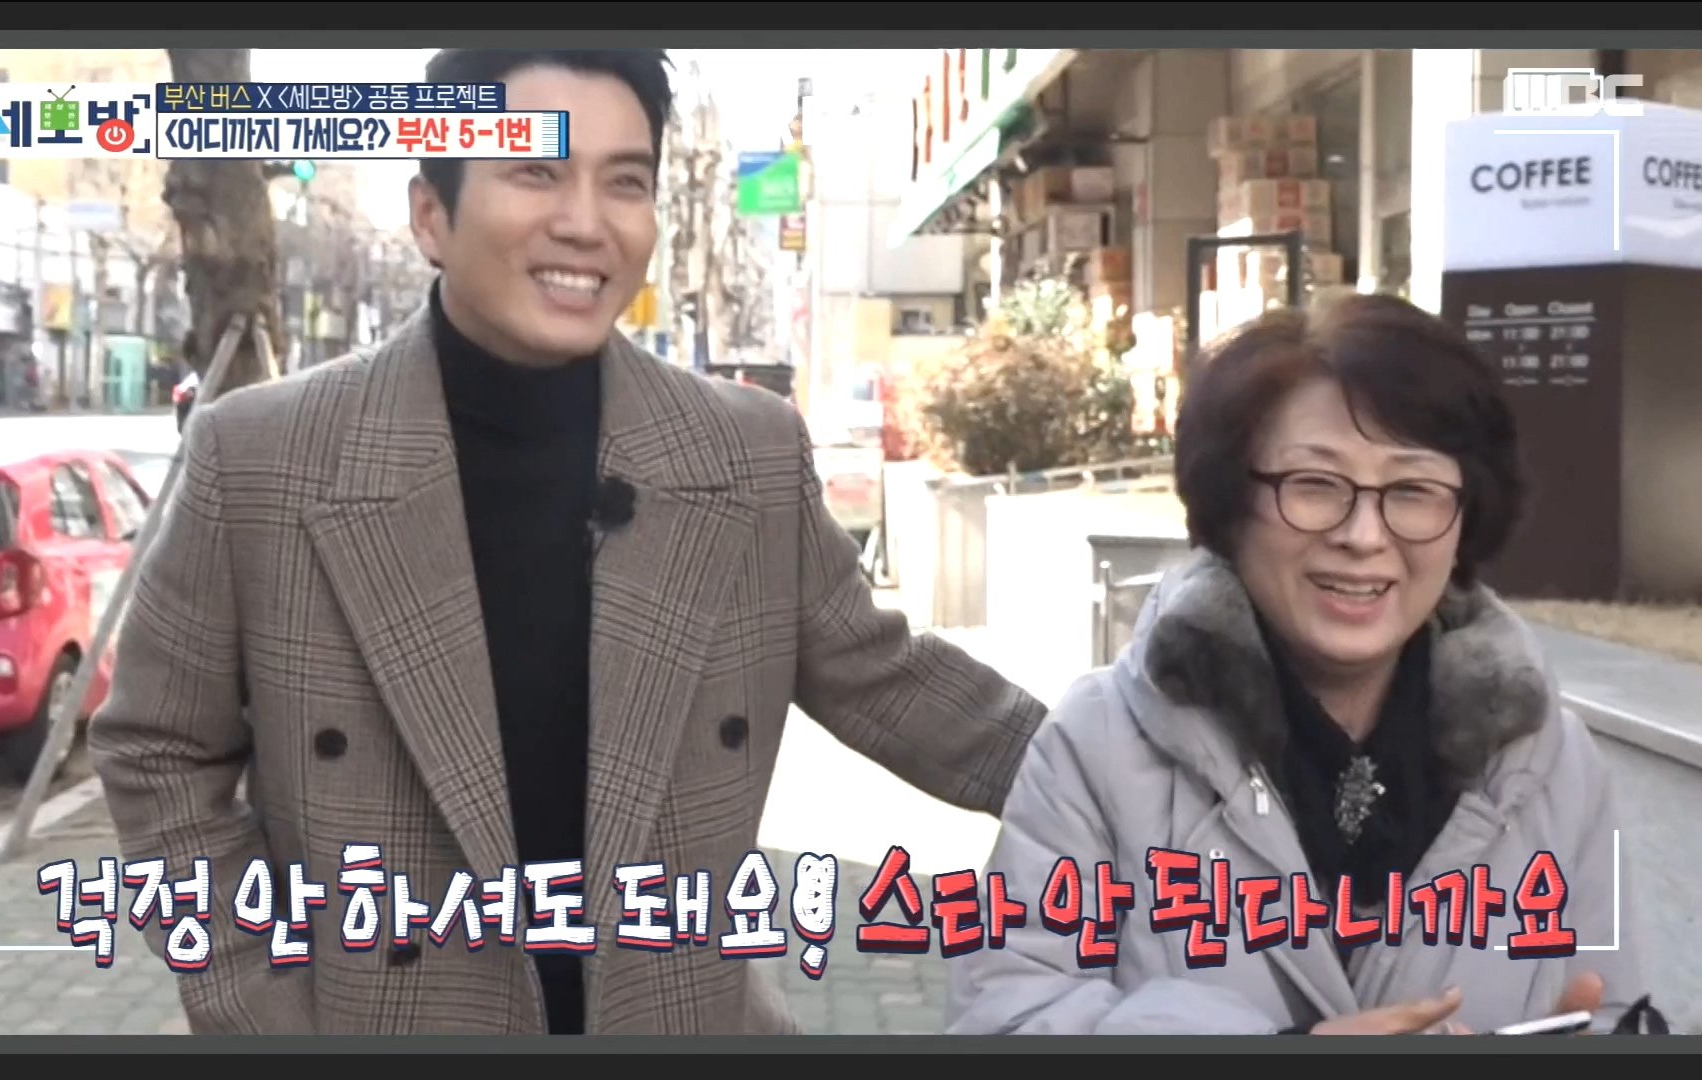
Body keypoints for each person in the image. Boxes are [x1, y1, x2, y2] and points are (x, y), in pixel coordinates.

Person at [88, 48, 1046, 1037]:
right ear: (431, 214)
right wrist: (261, 1005)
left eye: (625, 181)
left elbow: (887, 681)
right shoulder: (263, 457)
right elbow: (159, 751)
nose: (586, 222)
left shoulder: (744, 453)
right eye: (536, 171)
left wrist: (1122, 763)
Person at [945, 293, 1648, 1036]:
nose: (1363, 536)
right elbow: (1004, 1016)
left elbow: (1616, 1010)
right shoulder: (1099, 744)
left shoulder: (1548, 762)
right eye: (1315, 485)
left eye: (1413, 491)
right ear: (1230, 505)